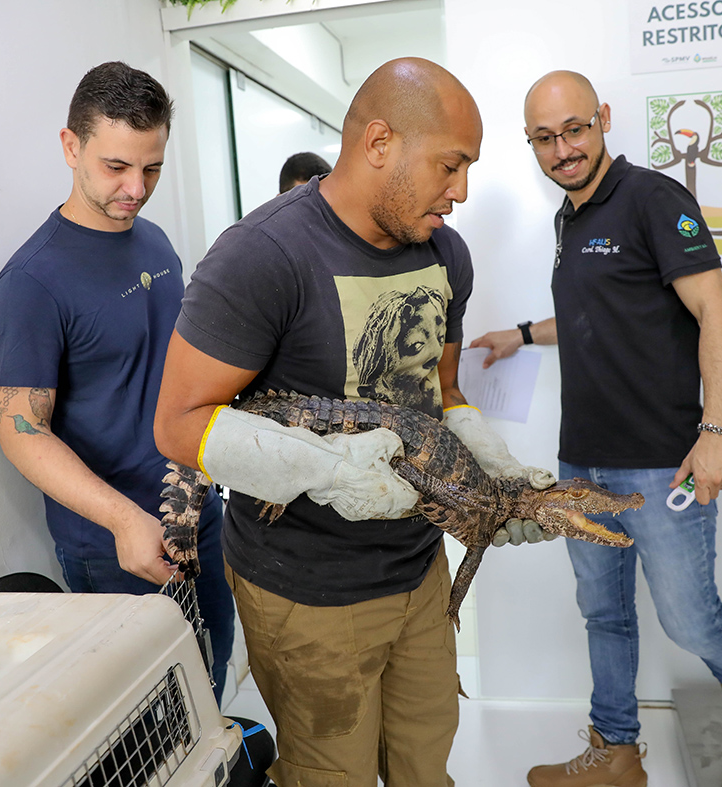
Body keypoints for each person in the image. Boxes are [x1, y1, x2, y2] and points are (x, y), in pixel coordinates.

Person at [153, 57, 552, 786]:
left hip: (419, 570)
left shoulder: (445, 252)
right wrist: (325, 471)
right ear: (379, 143)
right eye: (450, 165)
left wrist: (488, 464)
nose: (461, 191)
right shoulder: (262, 255)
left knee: (425, 763)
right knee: (331, 774)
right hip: (306, 591)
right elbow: (179, 423)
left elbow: (441, 390)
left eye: (467, 168)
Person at [470, 70, 722, 786]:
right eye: (545, 138)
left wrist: (719, 430)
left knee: (689, 618)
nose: (563, 149)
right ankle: (615, 749)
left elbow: (717, 311)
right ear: (530, 143)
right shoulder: (568, 219)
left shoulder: (652, 198)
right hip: (582, 461)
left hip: (660, 463)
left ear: (604, 118)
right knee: (603, 613)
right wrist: (521, 334)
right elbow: (600, 311)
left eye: (575, 129)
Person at [0, 61, 234, 703]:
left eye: (152, 168)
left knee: (210, 688)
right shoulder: (32, 282)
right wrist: (124, 520)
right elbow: (20, 431)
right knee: (150, 724)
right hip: (116, 543)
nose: (136, 187)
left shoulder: (154, 242)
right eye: (116, 166)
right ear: (71, 146)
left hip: (197, 514)